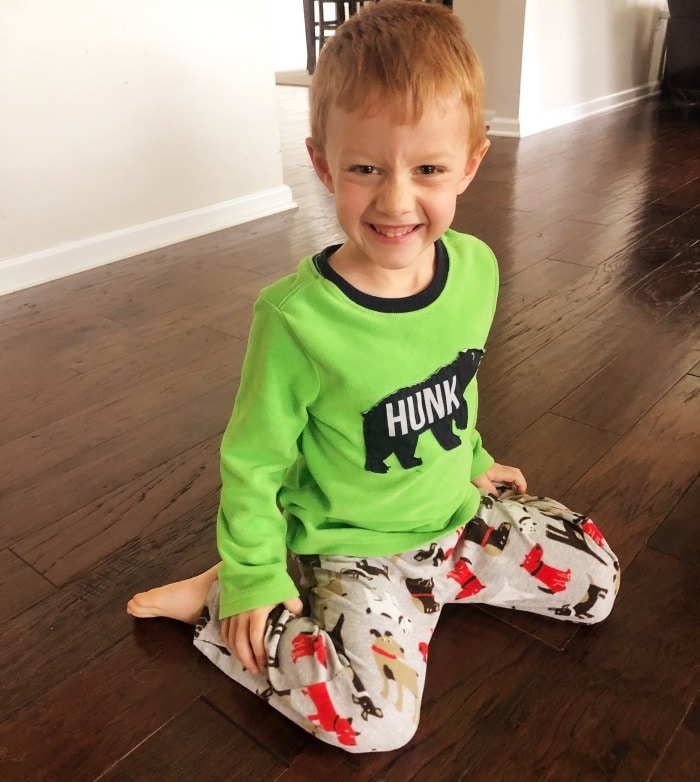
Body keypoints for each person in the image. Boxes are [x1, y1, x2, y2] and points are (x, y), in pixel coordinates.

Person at [127, 0, 619, 753]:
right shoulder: (294, 320)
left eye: (427, 169)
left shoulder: (477, 269)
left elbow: (455, 382)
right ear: (323, 163)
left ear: (471, 162)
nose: (395, 200)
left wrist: (477, 461)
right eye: (364, 168)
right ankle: (217, 597)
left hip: (453, 514)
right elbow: (253, 463)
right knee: (377, 724)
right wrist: (255, 573)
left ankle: (439, 590)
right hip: (356, 550)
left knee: (597, 582)